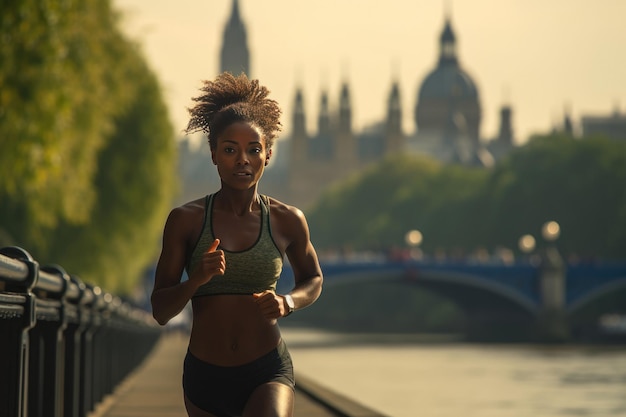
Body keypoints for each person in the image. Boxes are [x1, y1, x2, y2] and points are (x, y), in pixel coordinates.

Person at [151, 72, 323, 417]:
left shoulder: (287, 219)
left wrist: (287, 301)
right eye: (230, 150)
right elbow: (160, 310)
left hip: (267, 369)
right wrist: (196, 279)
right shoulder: (186, 220)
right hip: (205, 376)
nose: (242, 160)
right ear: (214, 154)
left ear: (268, 155)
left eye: (253, 150)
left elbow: (314, 279)